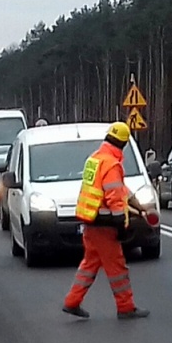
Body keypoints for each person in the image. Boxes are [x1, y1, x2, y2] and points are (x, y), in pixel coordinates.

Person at [63, 122, 151, 320]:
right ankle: (126, 306)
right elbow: (114, 197)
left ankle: (71, 302)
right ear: (124, 143)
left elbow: (120, 190)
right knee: (117, 268)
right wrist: (121, 225)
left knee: (89, 265)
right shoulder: (112, 164)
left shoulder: (95, 159)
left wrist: (136, 204)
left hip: (90, 220)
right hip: (104, 224)